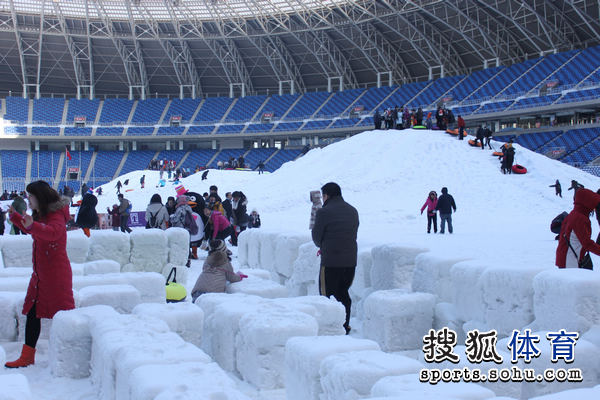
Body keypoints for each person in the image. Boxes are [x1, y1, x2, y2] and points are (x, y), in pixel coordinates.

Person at [5, 181, 75, 368]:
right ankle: (27, 356)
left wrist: (32, 225)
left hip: (55, 275)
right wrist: (15, 217)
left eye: (31, 196)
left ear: (40, 197)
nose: (28, 200)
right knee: (33, 313)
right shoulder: (43, 215)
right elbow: (34, 228)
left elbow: (52, 233)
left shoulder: (56, 215)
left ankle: (71, 354)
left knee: (63, 315)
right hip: (40, 275)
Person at [311, 182, 359, 335]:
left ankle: (330, 331)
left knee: (328, 296)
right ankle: (345, 325)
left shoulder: (324, 212)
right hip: (350, 260)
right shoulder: (353, 210)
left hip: (331, 261)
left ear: (326, 196)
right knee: (343, 292)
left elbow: (317, 238)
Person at [556, 188, 600, 269]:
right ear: (587, 203)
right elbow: (587, 243)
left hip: (564, 257)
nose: (594, 207)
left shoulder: (573, 214)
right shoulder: (580, 219)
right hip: (570, 260)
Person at [170, 195, 200, 266]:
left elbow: (175, 219)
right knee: (187, 245)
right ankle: (188, 260)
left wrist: (171, 217)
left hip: (181, 229)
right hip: (188, 229)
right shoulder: (188, 208)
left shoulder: (180, 208)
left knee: (181, 245)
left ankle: (183, 260)